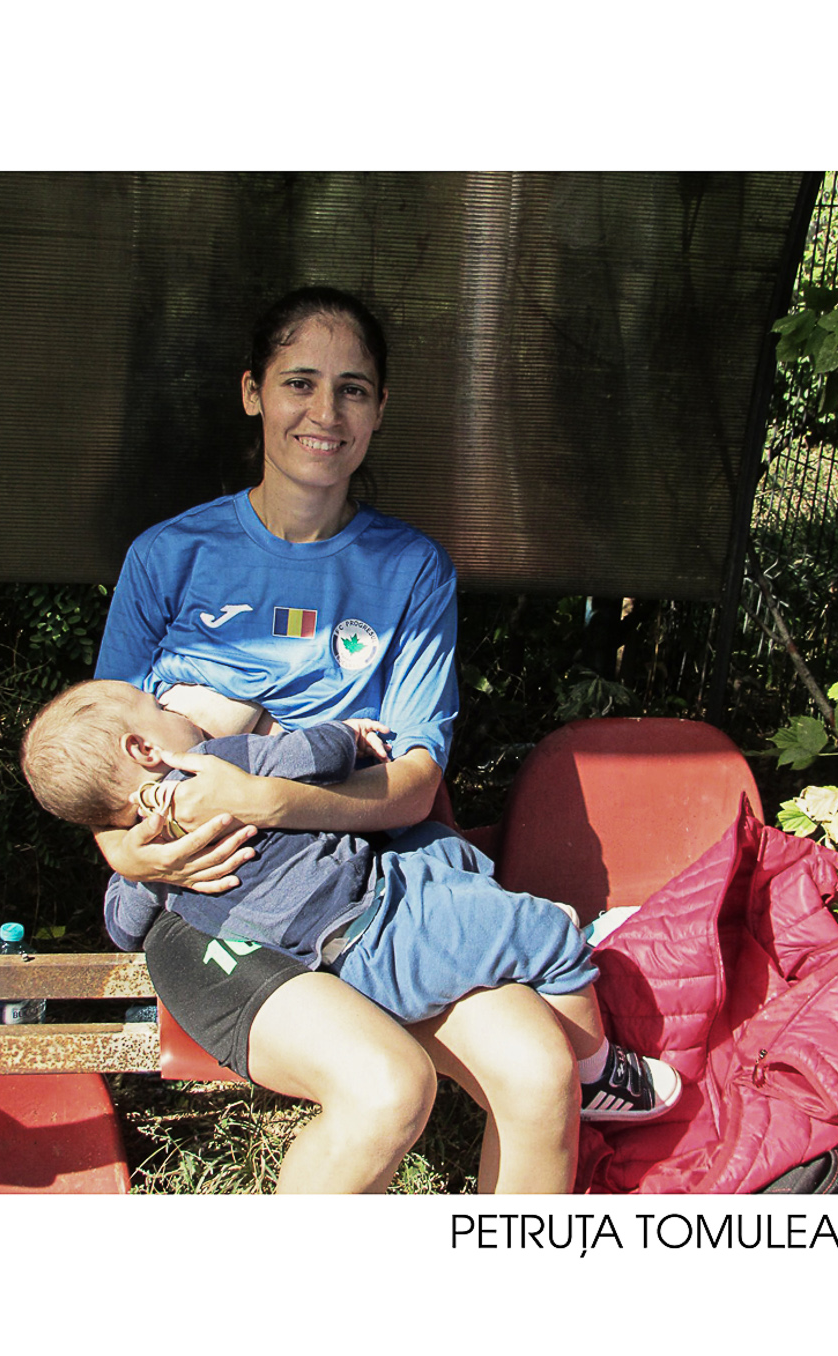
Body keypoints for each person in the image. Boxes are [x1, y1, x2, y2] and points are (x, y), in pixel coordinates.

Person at [86, 285, 603, 1193]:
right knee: (385, 1088)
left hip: (381, 887)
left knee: (540, 1071)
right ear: (253, 392)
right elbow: (102, 763)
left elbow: (413, 784)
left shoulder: (410, 570)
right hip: (215, 906)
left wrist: (264, 796)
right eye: (300, 382)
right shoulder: (168, 556)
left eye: (352, 389)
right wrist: (135, 855)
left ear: (379, 408)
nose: (325, 412)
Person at [21, 679, 683, 1121]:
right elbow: (304, 755)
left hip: (335, 949)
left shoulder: (148, 864)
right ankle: (598, 1074)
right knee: (545, 931)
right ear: (145, 747)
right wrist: (349, 734)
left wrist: (143, 868)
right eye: (163, 708)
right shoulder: (220, 762)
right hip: (380, 931)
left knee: (439, 851)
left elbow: (122, 926)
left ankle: (501, 934)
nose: (180, 710)